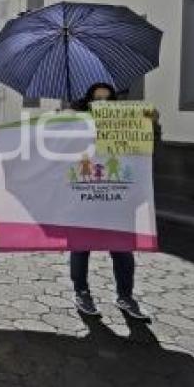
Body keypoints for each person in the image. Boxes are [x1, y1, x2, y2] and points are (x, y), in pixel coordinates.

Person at [68, 82, 152, 322]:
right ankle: (81, 293)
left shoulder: (126, 125)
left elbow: (146, 154)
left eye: (108, 99)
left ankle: (125, 296)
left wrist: (152, 126)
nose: (103, 104)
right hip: (83, 198)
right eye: (97, 99)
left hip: (118, 200)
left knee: (123, 252)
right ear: (89, 101)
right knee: (81, 248)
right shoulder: (76, 124)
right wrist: (65, 123)